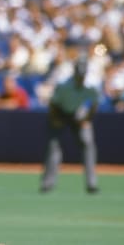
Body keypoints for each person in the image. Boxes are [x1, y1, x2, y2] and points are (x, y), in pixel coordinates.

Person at [40, 57, 100, 194]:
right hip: (60, 112)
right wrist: (55, 119)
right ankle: (47, 183)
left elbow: (95, 103)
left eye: (82, 75)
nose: (80, 78)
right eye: (78, 75)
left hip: (78, 114)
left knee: (88, 142)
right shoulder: (64, 85)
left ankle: (91, 183)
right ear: (74, 73)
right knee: (53, 146)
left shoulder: (92, 85)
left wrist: (87, 119)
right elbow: (53, 104)